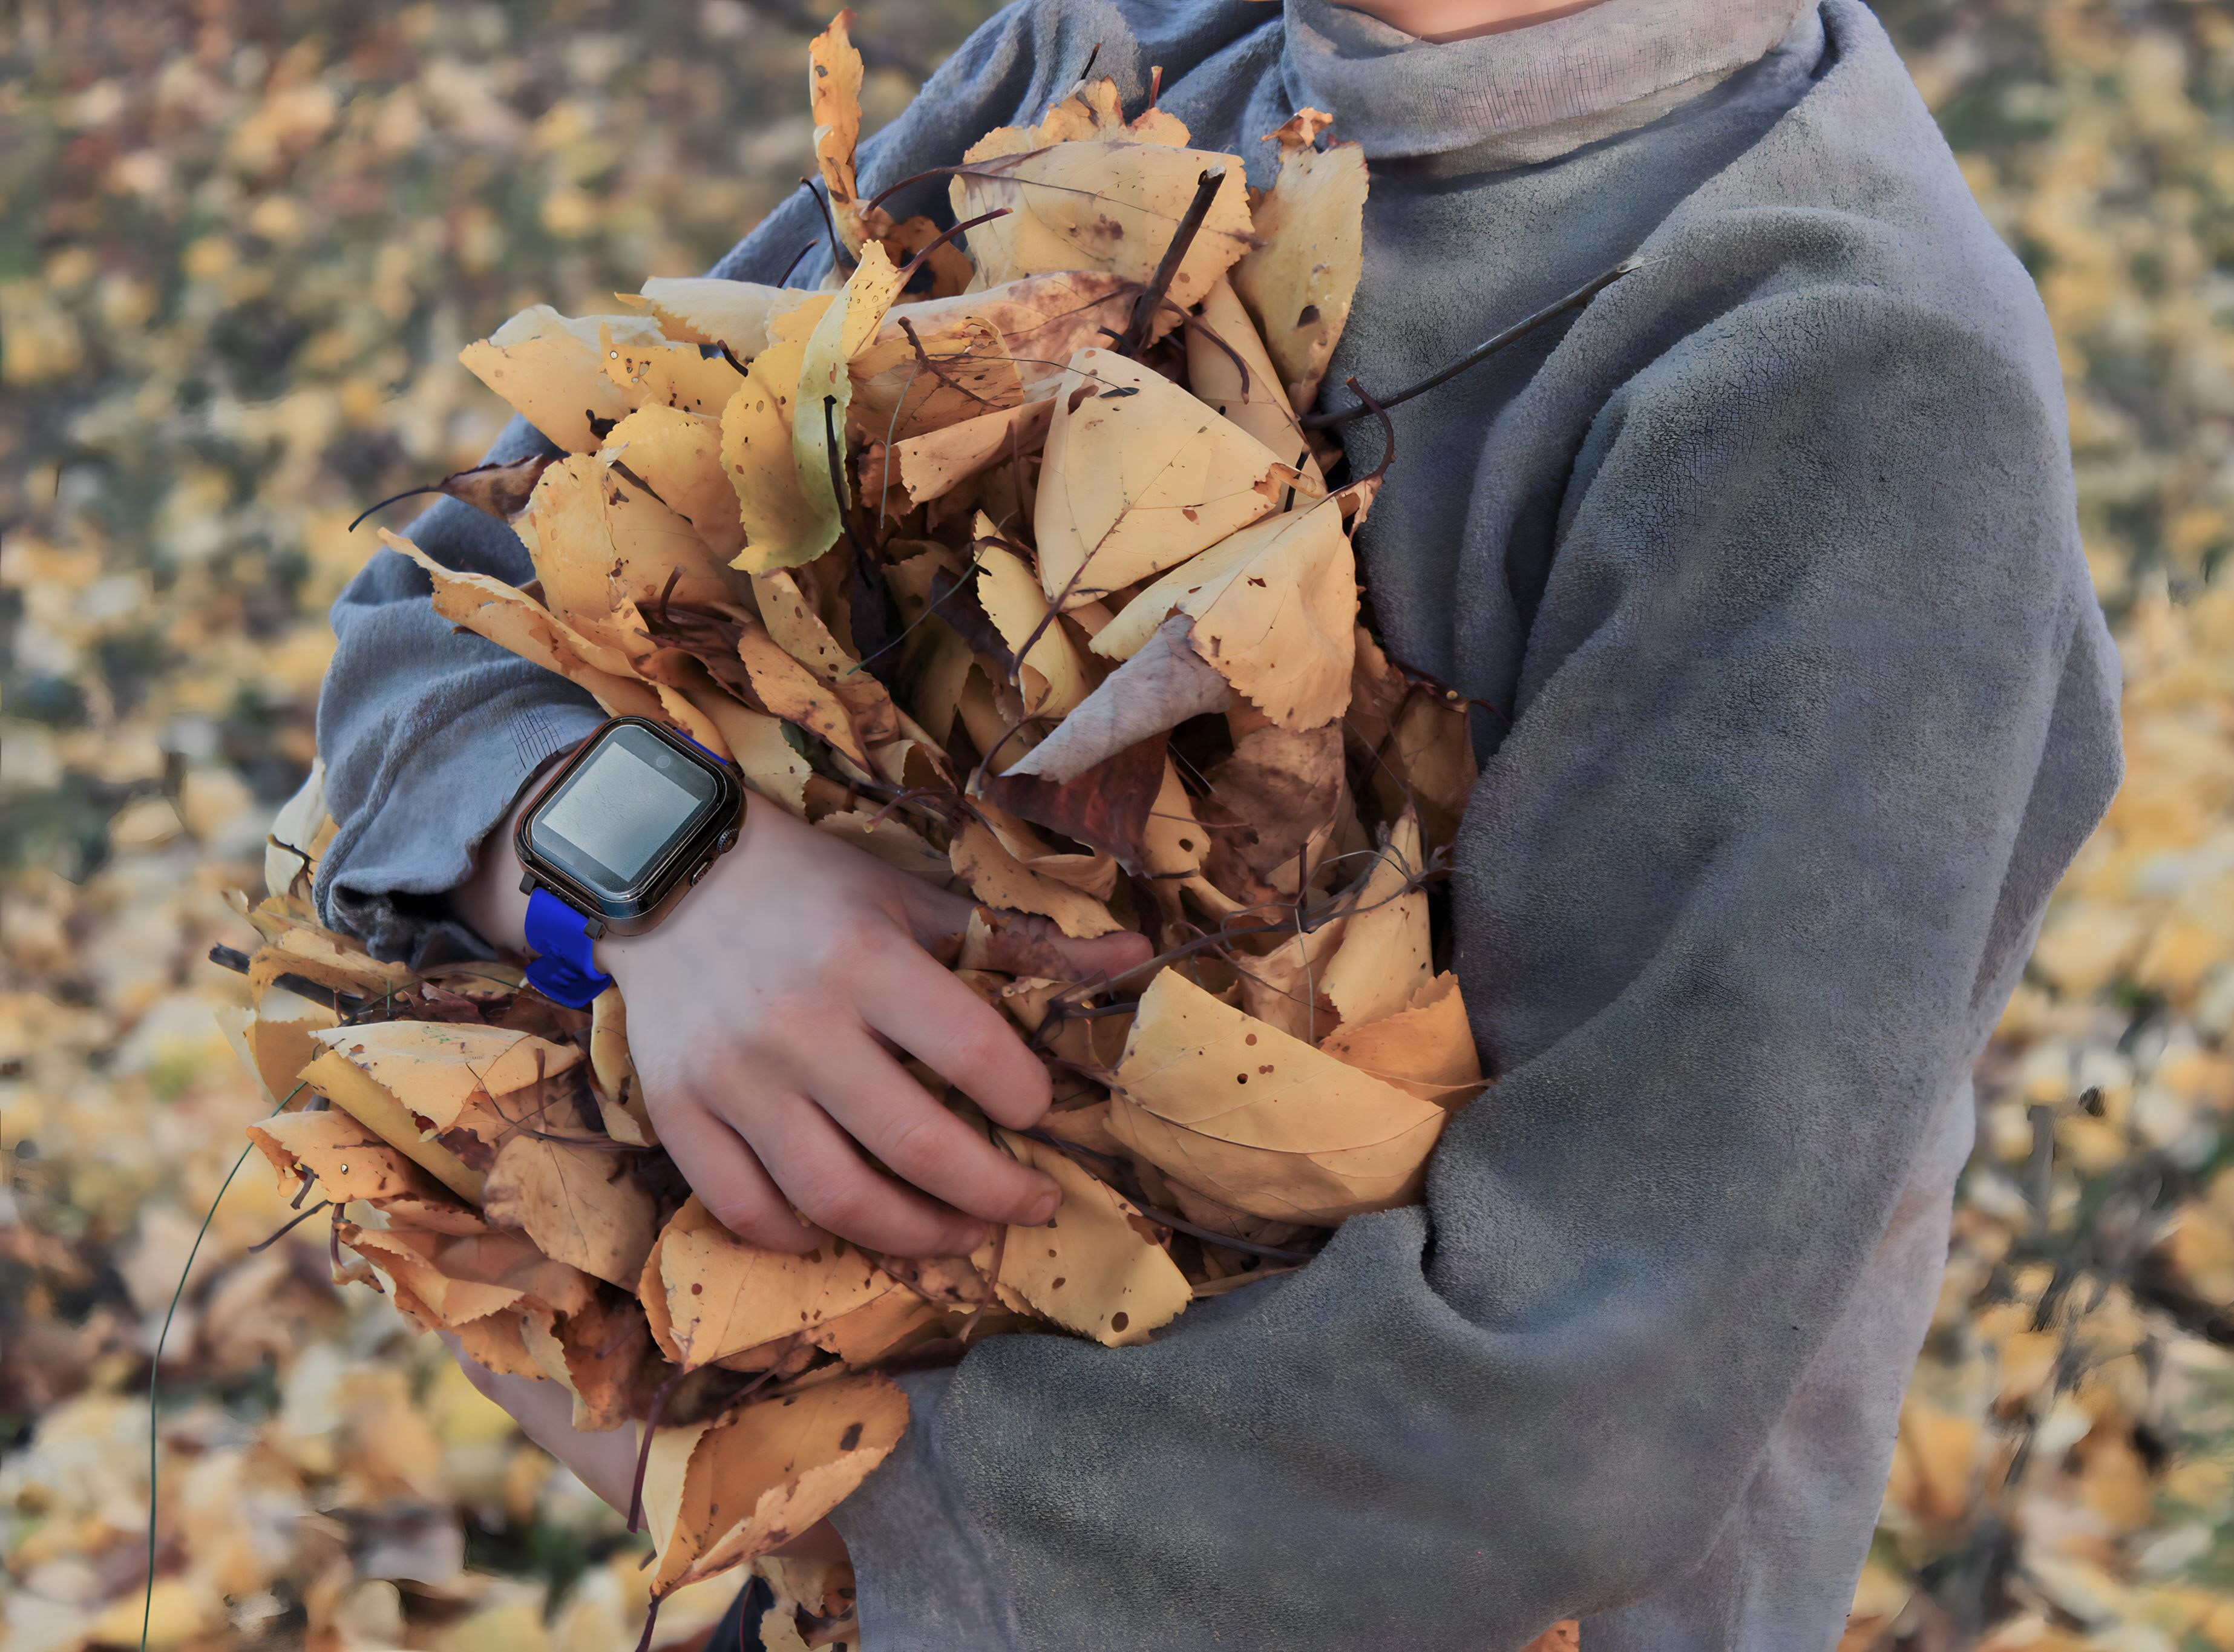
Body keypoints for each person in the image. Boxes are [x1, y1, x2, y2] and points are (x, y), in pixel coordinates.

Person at [315, 0, 2123, 1645]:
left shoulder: (1834, 383)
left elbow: (1566, 1403)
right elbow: (437, 638)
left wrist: (735, 1488)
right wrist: (659, 883)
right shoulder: (1128, 59)